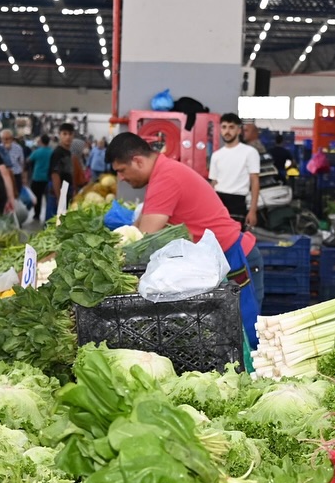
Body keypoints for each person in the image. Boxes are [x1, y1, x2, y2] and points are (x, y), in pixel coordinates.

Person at [106, 132, 261, 346]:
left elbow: (144, 237)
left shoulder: (166, 178)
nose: (121, 178)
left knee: (246, 336)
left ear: (138, 161)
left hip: (234, 257)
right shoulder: (163, 172)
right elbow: (139, 226)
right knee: (234, 336)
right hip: (219, 258)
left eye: (121, 171)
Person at [210, 112, 261, 229]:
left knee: (235, 240)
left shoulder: (250, 152)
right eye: (224, 127)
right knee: (216, 239)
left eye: (231, 127)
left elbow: (255, 182)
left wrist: (253, 211)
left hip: (238, 201)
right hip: (218, 201)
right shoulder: (216, 155)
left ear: (239, 130)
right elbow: (213, 183)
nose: (227, 131)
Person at [49, 124, 83, 215]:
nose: (68, 137)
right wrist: (59, 197)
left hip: (66, 190)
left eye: (70, 134)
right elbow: (55, 175)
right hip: (59, 191)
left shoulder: (68, 152)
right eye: (64, 134)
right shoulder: (57, 153)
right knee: (54, 222)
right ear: (60, 135)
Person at [28, 134, 53, 222]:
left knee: (37, 198)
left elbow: (28, 160)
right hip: (48, 179)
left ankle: (36, 215)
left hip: (37, 178)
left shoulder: (37, 151)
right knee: (48, 199)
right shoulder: (52, 152)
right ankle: (48, 216)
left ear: (41, 141)